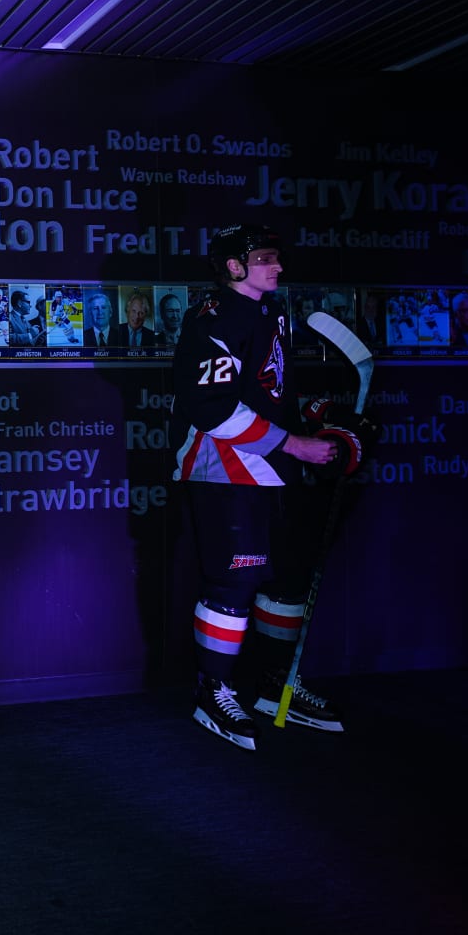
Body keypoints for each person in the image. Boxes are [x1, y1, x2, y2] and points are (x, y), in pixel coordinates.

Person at [169, 225, 377, 752]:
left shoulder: (270, 312)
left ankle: (274, 686)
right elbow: (211, 408)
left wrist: (321, 421)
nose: (278, 266)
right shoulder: (212, 318)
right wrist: (297, 445)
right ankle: (213, 691)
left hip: (275, 469)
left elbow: (271, 394)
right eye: (265, 258)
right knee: (233, 582)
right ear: (233, 266)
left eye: (276, 257)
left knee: (286, 579)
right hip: (223, 469)